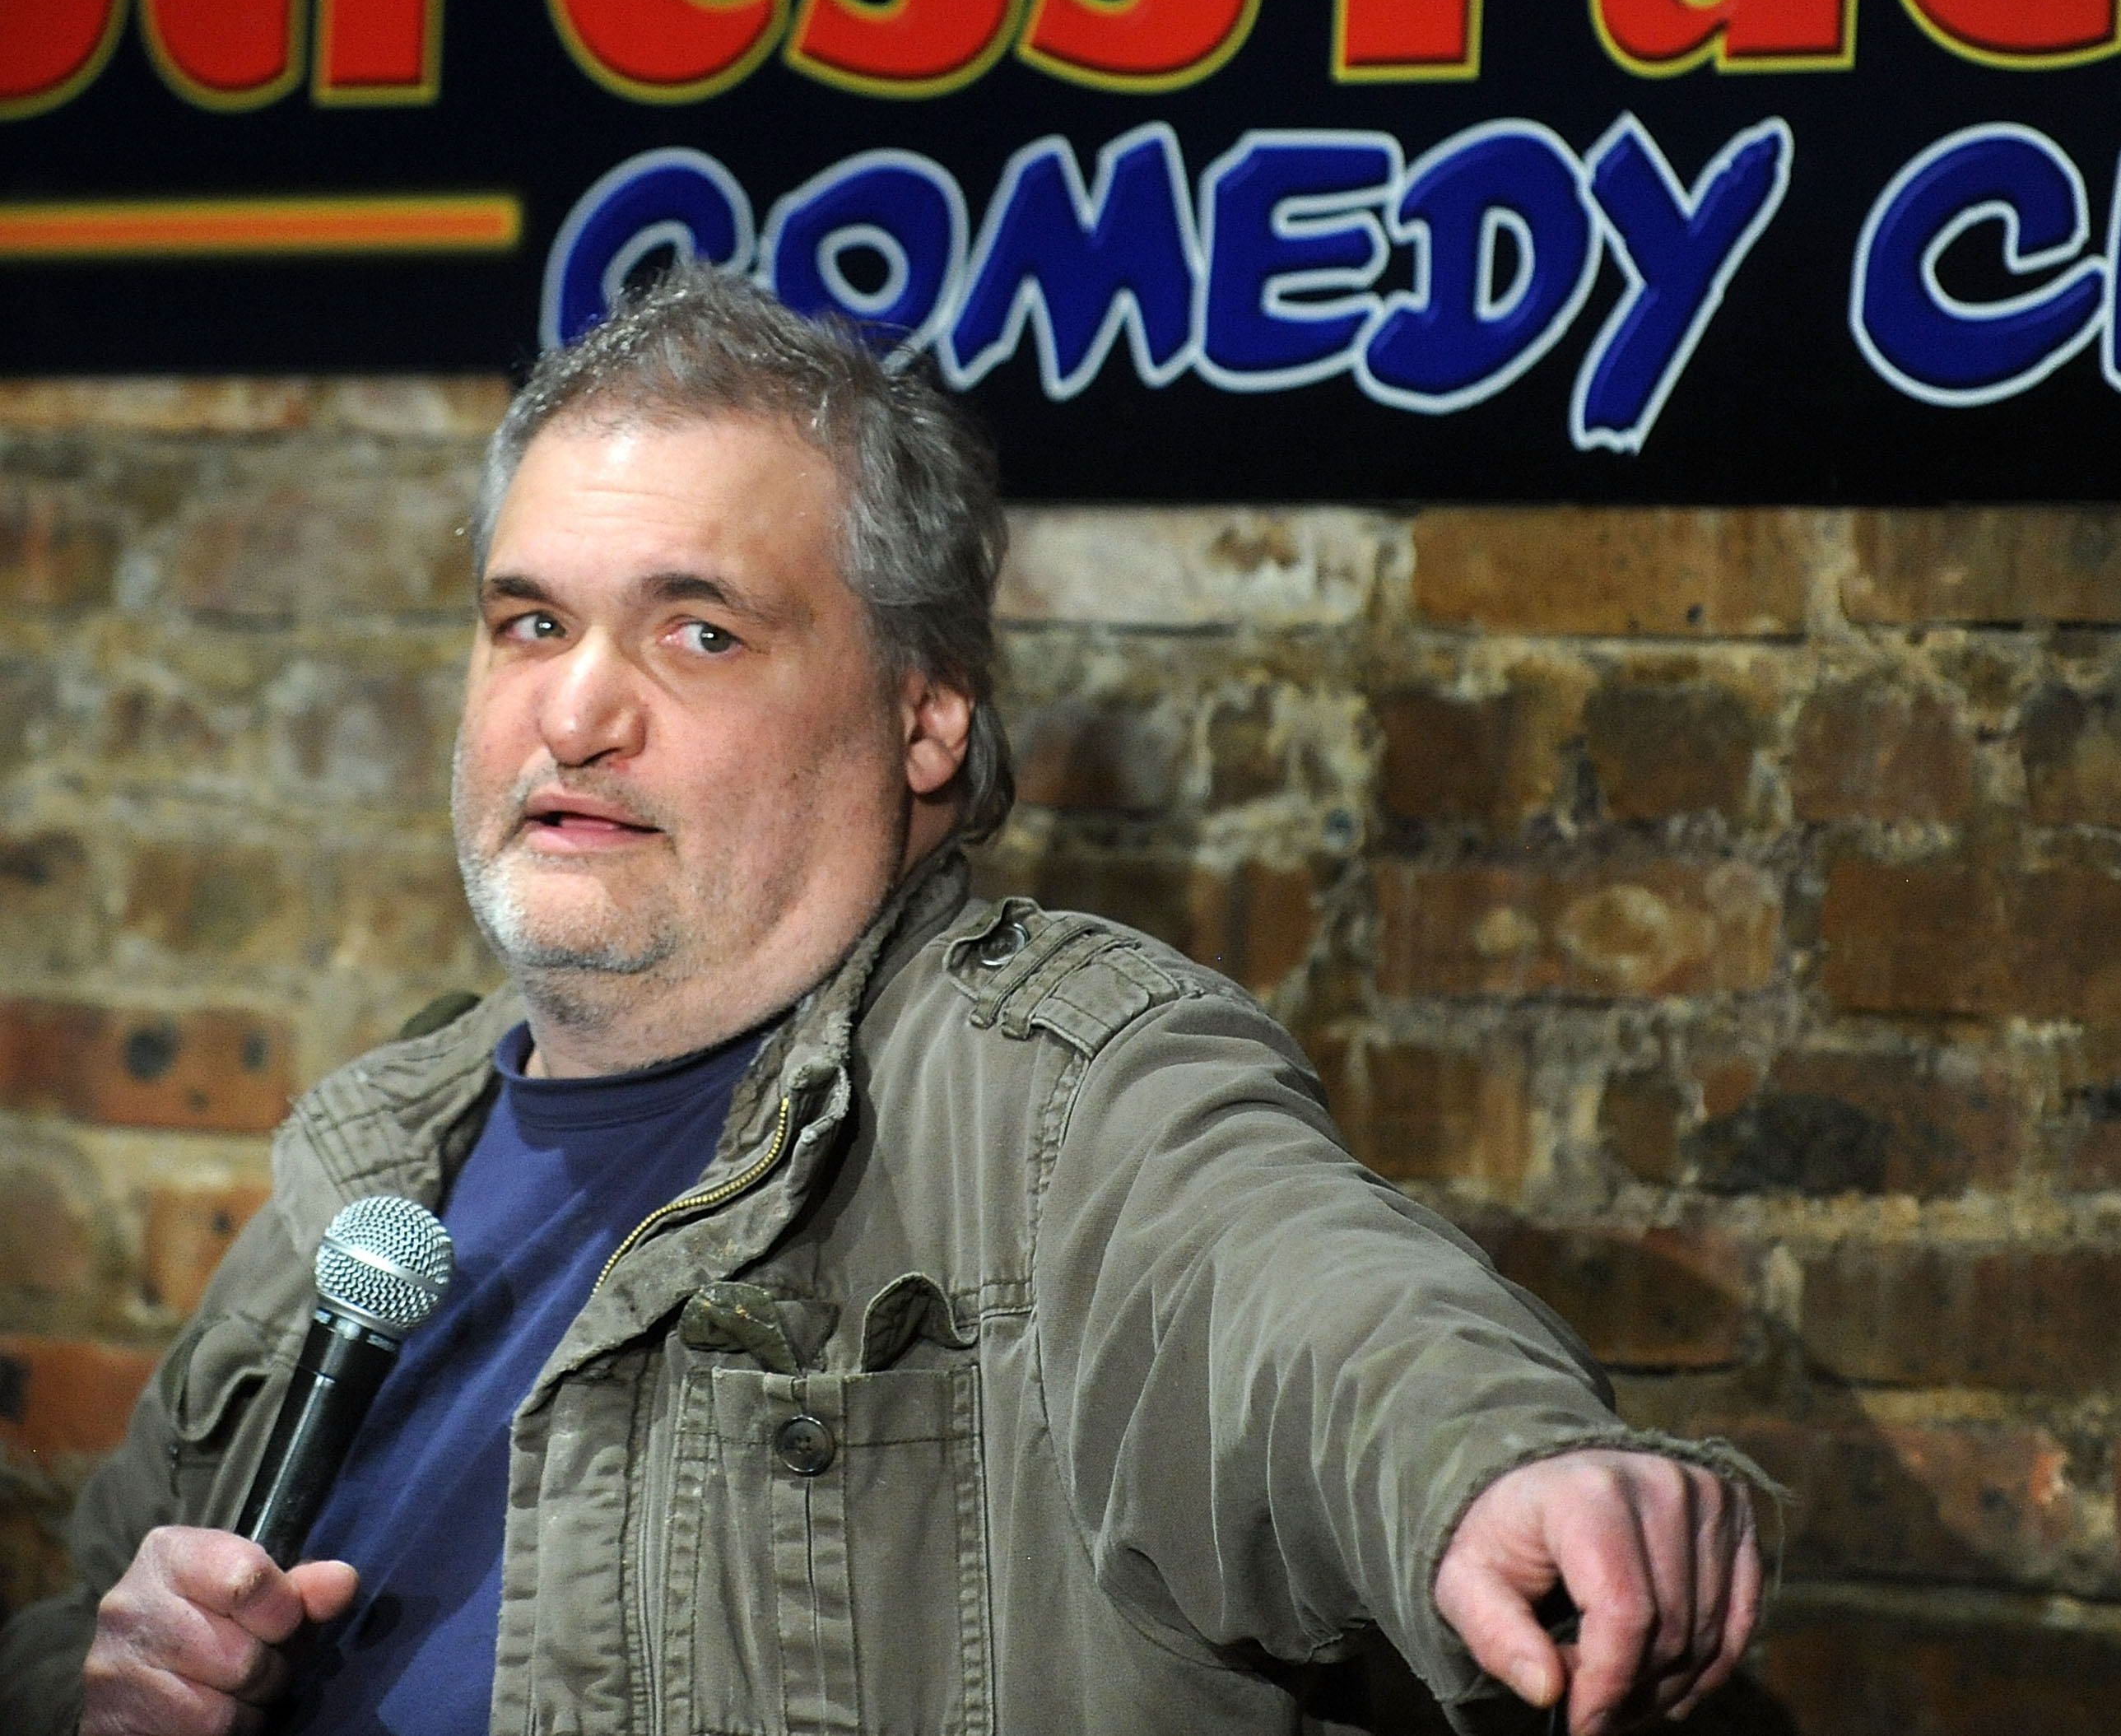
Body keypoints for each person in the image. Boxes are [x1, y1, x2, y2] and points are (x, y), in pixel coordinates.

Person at [0, 268, 1761, 1736]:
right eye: (530, 624)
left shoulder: (1063, 1088)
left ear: (928, 715)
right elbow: (86, 1608)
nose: (576, 714)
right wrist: (105, 1679)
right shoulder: (367, 1162)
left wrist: (1502, 1471)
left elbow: (1317, 1306)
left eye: (700, 633)